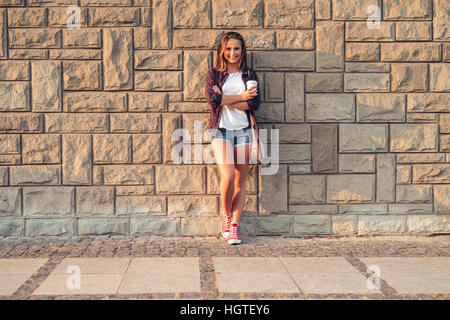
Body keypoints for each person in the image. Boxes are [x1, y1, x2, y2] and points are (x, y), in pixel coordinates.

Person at [204, 31, 261, 245]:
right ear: (222, 51)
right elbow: (213, 100)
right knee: (227, 176)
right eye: (228, 49)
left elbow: (254, 104)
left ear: (242, 50)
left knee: (240, 181)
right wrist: (241, 97)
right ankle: (226, 216)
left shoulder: (249, 75)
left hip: (244, 131)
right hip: (221, 131)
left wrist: (225, 99)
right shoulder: (214, 74)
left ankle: (235, 227)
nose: (232, 53)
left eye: (236, 48)